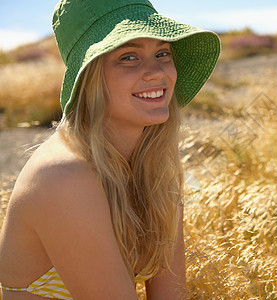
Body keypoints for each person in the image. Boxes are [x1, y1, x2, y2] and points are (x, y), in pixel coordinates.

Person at [0, 0, 220, 298]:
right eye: (128, 57)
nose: (156, 72)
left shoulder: (153, 166)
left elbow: (172, 294)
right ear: (89, 78)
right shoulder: (63, 177)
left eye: (162, 53)